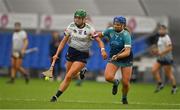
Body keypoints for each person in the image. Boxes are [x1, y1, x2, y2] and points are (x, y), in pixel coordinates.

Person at [49, 9, 107, 102]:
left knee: (68, 76)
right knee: (69, 76)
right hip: (71, 51)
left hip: (82, 54)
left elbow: (99, 41)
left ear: (84, 19)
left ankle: (55, 96)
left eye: (79, 18)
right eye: (75, 17)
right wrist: (56, 54)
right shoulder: (71, 26)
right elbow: (63, 41)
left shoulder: (90, 29)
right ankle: (81, 72)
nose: (76, 20)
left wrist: (103, 50)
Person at [96, 16, 133, 104]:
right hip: (114, 56)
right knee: (108, 77)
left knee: (125, 83)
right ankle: (115, 82)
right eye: (115, 24)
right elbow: (99, 35)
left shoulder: (126, 35)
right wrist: (91, 35)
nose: (116, 26)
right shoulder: (110, 30)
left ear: (123, 25)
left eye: (118, 25)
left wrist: (118, 56)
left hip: (126, 59)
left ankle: (124, 97)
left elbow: (127, 52)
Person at [151, 25, 177, 94]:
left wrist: (161, 52)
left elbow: (170, 48)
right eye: (160, 30)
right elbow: (159, 48)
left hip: (167, 59)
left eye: (162, 30)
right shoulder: (159, 38)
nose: (161, 31)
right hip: (160, 58)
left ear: (165, 31)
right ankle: (160, 84)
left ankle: (174, 87)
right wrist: (155, 50)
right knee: (153, 70)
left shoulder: (167, 38)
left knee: (168, 74)